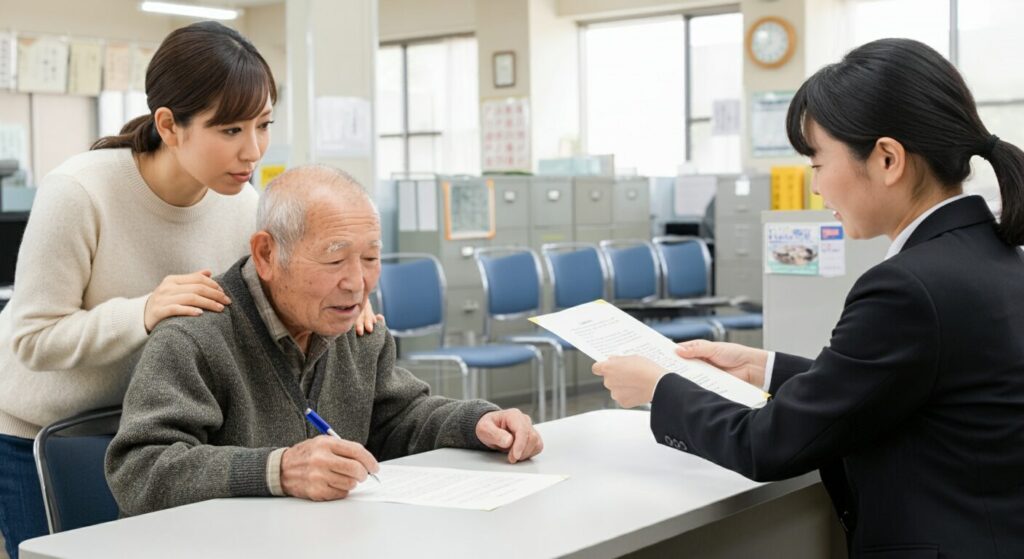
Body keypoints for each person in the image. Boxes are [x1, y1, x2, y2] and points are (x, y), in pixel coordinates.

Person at [592, 38, 1024, 558]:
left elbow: (770, 444)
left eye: (818, 164)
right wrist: (765, 369)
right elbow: (899, 385)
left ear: (887, 159)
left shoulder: (907, 287)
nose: (816, 188)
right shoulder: (989, 255)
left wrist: (660, 387)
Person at [0, 22, 375, 557]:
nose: (253, 151)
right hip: (41, 433)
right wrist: (143, 313)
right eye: (230, 131)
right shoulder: (78, 193)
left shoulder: (241, 204)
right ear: (170, 126)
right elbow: (31, 340)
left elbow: (270, 295)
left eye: (263, 125)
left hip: (156, 429)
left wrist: (346, 297)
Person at [105, 165, 543, 515]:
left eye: (371, 258)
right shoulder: (194, 337)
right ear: (266, 255)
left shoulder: (355, 328)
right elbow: (140, 470)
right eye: (335, 259)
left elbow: (396, 418)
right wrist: (278, 471)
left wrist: (476, 424)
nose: (357, 283)